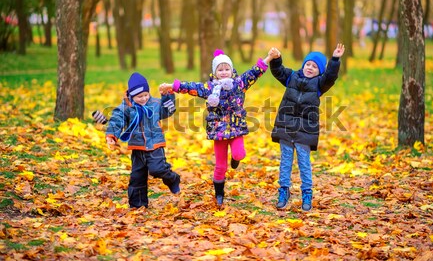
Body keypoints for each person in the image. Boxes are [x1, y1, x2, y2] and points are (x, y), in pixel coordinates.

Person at [159, 49, 277, 206]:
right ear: (215, 72)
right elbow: (191, 87)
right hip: (218, 130)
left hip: (236, 129)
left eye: (226, 69)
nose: (224, 72)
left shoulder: (239, 84)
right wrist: (172, 86)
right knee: (220, 165)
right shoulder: (209, 88)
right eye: (220, 70)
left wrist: (269, 57)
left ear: (231, 70)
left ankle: (236, 160)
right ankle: (219, 194)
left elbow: (254, 72)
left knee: (239, 153)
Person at [269, 43, 345, 211]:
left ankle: (307, 193)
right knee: (286, 161)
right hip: (286, 127)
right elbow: (278, 71)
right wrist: (276, 59)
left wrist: (335, 59)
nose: (310, 68)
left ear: (320, 72)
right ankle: (284, 191)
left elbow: (331, 77)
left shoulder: (319, 85)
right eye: (308, 64)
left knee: (304, 163)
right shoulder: (292, 77)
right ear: (303, 65)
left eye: (315, 66)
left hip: (306, 130)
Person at [106, 72, 181, 209]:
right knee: (137, 177)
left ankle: (172, 178)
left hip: (155, 145)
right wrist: (111, 135)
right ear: (132, 96)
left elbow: (168, 110)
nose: (144, 98)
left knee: (157, 169)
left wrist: (168, 95)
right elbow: (117, 120)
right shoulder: (127, 107)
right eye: (139, 96)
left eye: (146, 95)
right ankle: (138, 205)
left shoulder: (155, 103)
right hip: (137, 147)